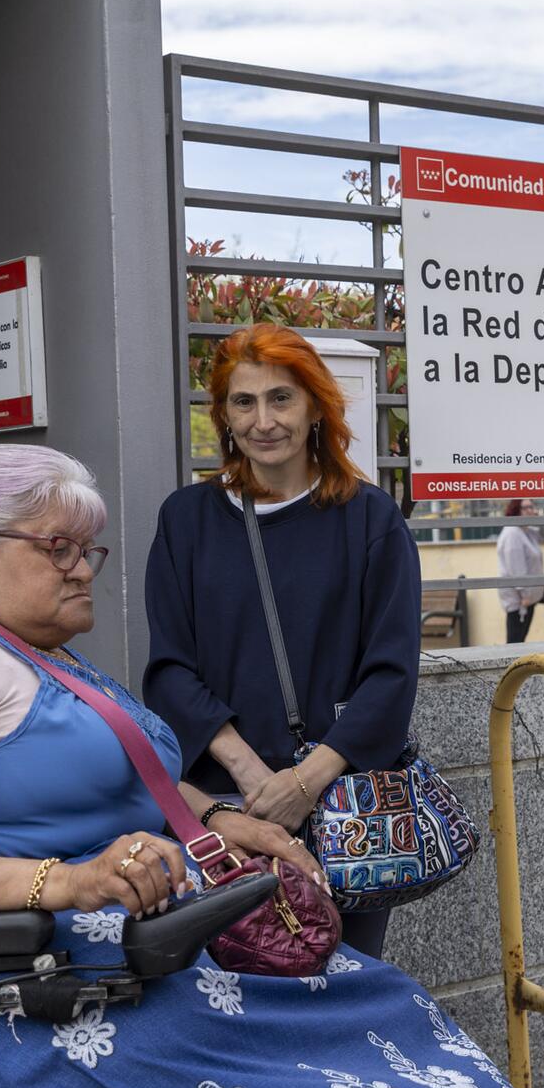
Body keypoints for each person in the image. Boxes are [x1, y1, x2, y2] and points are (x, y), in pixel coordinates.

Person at [0, 444, 544, 1088]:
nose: (83, 568)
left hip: (112, 965)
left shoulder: (39, 655)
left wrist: (213, 818)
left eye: (88, 549)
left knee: (384, 1006)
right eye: (58, 548)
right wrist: (66, 881)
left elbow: (110, 785)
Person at [144, 323, 421, 960]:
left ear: (316, 407)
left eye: (281, 399)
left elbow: (391, 674)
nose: (263, 420)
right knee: (232, 993)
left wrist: (304, 781)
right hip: (223, 809)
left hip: (340, 810)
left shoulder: (369, 518)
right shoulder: (186, 519)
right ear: (223, 416)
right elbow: (168, 669)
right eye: (244, 402)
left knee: (341, 984)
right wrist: (253, 775)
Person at [496, 498, 544, 643]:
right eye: (526, 508)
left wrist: (539, 519)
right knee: (515, 640)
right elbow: (516, 566)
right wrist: (525, 595)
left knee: (520, 639)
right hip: (519, 600)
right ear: (516, 510)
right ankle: (509, 665)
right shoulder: (513, 533)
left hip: (527, 597)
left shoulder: (526, 531)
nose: (531, 510)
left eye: (532, 506)